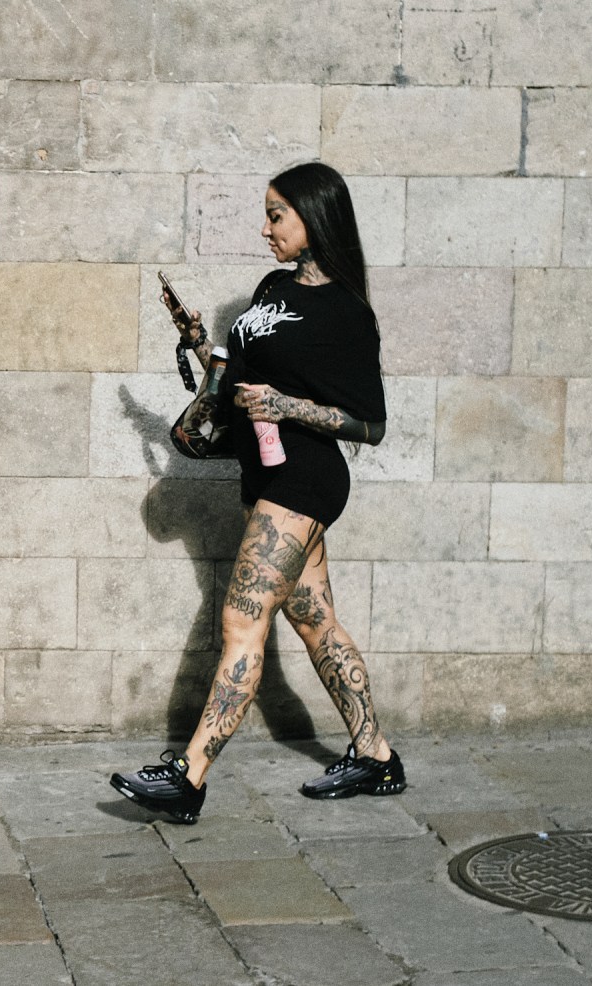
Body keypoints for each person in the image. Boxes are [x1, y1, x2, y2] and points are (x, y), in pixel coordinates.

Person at [110, 161, 405, 824]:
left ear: (315, 219)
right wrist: (201, 345)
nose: (266, 227)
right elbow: (238, 372)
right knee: (314, 620)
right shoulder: (273, 287)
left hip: (306, 479)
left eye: (277, 215)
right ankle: (377, 755)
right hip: (266, 475)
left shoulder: (347, 313)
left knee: (243, 622)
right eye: (268, 214)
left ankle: (189, 777)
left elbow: (370, 423)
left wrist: (286, 404)